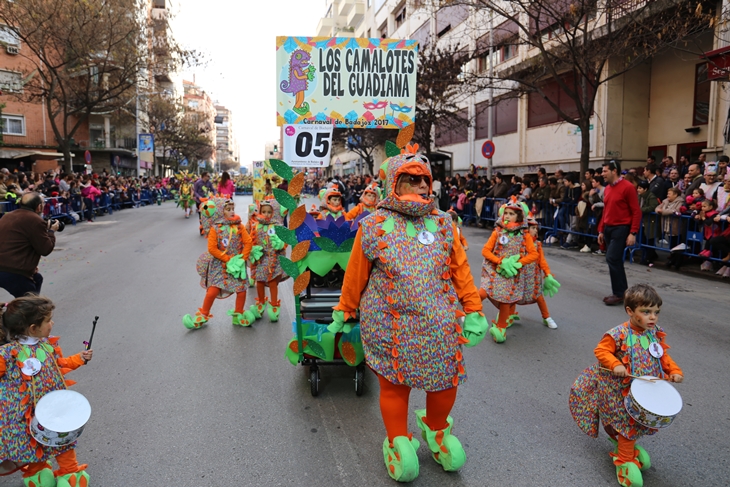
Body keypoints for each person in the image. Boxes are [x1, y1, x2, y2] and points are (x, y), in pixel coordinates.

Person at [329, 144, 488, 482]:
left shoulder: (444, 224)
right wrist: (345, 308)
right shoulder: (372, 226)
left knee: (445, 382)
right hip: (389, 324)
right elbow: (356, 273)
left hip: (440, 324)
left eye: (424, 182)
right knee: (395, 387)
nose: (420, 189)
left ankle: (436, 430)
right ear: (393, 184)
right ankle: (398, 437)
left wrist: (472, 308)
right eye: (411, 181)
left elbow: (460, 269)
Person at [569, 284, 683, 487]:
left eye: (656, 312)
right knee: (627, 422)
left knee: (638, 420)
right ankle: (624, 458)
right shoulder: (618, 333)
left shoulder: (653, 333)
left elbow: (662, 355)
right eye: (646, 312)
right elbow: (601, 351)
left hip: (643, 390)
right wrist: (615, 364)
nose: (652, 317)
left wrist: (673, 371)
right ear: (630, 311)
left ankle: (623, 445)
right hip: (618, 391)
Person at [0, 295, 93, 487]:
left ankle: (70, 472)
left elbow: (60, 365)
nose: (52, 323)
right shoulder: (7, 354)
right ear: (33, 328)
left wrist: (79, 358)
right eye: (48, 320)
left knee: (62, 439)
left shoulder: (48, 345)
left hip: (54, 409)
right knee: (31, 443)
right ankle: (38, 472)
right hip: (24, 414)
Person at [183, 197, 254, 329]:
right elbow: (212, 248)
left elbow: (248, 241)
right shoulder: (215, 228)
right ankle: (203, 314)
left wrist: (242, 258)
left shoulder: (239, 225)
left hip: (237, 266)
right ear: (221, 212)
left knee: (242, 290)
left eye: (233, 209)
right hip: (219, 265)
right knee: (213, 290)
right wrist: (226, 258)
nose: (232, 211)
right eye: (228, 209)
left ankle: (238, 315)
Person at [479, 197, 538, 342]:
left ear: (518, 217)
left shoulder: (524, 235)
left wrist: (519, 263)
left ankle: (501, 328)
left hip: (512, 274)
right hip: (495, 269)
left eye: (511, 214)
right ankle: (469, 308)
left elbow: (533, 254)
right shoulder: (497, 232)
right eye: (506, 213)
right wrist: (500, 261)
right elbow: (485, 251)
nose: (507, 216)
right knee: (484, 292)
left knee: (506, 300)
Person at [597, 161, 641, 306]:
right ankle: (623, 292)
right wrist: (601, 230)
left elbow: (636, 211)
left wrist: (633, 232)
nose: (602, 174)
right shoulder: (608, 188)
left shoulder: (628, 187)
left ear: (614, 171)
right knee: (614, 261)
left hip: (621, 228)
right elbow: (606, 210)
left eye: (605, 171)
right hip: (609, 227)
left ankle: (619, 293)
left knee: (612, 258)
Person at [0, 193, 58, 298]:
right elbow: (45, 249)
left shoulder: (7, 215)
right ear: (39, 207)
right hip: (14, 271)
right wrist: (51, 232)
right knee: (31, 306)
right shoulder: (35, 220)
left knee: (37, 278)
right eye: (43, 203)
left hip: (5, 266)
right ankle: (28, 310)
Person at [514, 214, 560, 328]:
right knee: (512, 297)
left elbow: (542, 261)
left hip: (533, 277)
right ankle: (507, 316)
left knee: (539, 297)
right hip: (518, 277)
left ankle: (546, 317)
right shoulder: (517, 242)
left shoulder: (537, 244)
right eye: (533, 228)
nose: (535, 230)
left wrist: (547, 274)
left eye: (536, 228)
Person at [247, 199, 287, 322]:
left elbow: (284, 241)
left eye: (269, 212)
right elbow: (250, 238)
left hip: (274, 258)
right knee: (259, 281)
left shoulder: (278, 226)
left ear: (274, 212)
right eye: (263, 211)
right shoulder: (256, 225)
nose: (266, 214)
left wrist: (281, 244)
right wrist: (253, 249)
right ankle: (261, 303)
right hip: (261, 259)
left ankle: (274, 305)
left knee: (272, 282)